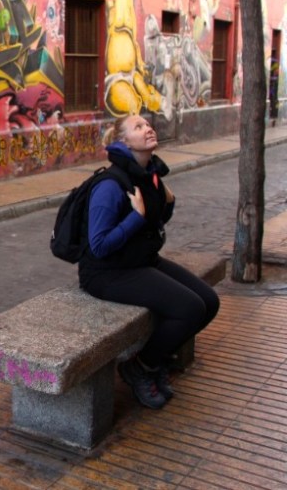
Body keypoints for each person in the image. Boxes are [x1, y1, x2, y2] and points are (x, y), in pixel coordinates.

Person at [80, 114, 219, 409]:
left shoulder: (149, 175)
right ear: (123, 142)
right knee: (189, 308)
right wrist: (135, 217)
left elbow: (156, 221)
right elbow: (99, 245)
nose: (148, 128)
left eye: (147, 124)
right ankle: (140, 367)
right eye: (138, 127)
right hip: (107, 272)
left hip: (141, 261)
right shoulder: (110, 184)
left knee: (208, 301)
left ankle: (157, 359)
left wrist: (167, 202)